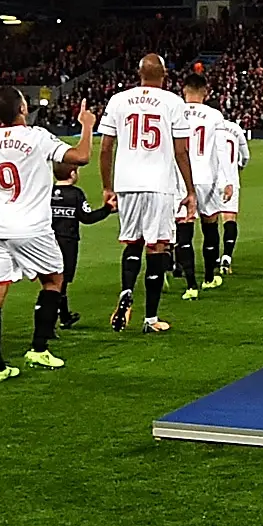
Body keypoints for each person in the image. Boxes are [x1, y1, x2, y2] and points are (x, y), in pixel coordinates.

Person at [0, 87, 95, 378]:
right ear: (22, 108)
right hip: (31, 226)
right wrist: (86, 126)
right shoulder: (37, 137)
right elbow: (81, 156)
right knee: (53, 280)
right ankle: (38, 348)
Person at [101, 55, 202, 332]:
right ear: (165, 74)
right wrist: (190, 190)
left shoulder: (118, 100)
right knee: (157, 247)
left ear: (139, 73)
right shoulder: (173, 102)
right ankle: (151, 319)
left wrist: (107, 187)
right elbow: (181, 151)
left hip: (126, 182)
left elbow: (106, 148)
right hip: (159, 183)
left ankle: (126, 291)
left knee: (132, 243)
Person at [178, 72, 243, 290]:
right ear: (205, 92)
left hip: (181, 178)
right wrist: (228, 180)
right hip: (207, 178)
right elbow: (221, 150)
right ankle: (208, 277)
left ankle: (190, 285)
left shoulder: (174, 111)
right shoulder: (214, 115)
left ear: (184, 90)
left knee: (184, 228)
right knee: (210, 225)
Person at [48, 150, 115, 327]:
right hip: (68, 241)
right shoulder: (76, 194)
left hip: (48, 240)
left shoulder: (47, 192)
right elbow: (87, 217)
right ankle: (56, 319)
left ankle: (63, 316)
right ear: (73, 174)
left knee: (52, 279)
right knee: (62, 280)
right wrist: (107, 209)